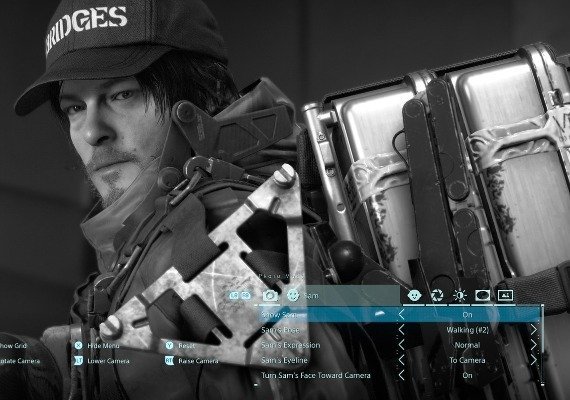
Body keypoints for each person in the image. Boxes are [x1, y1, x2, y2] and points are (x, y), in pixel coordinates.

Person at [3, 0, 372, 399]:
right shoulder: (159, 227)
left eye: (123, 95)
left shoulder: (225, 226)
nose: (93, 132)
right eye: (75, 107)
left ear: (205, 94)